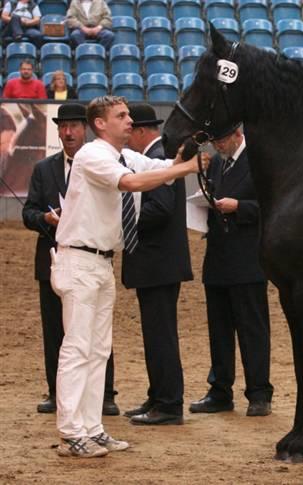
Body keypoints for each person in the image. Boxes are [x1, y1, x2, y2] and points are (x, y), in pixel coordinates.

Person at [51, 95, 206, 458]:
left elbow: (163, 166)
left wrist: (191, 143)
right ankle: (71, 431)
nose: (129, 122)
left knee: (98, 349)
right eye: (120, 116)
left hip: (102, 261)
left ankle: (91, 427)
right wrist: (185, 169)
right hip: (79, 260)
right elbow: (133, 185)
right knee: (77, 348)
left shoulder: (124, 155)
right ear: (100, 123)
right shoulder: (93, 155)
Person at [22, 103, 120, 416]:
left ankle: (104, 394)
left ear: (85, 129)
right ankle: (56, 392)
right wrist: (45, 220)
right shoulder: (43, 169)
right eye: (63, 127)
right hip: (52, 258)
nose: (68, 133)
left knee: (95, 329)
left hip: (90, 257)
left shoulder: (102, 163)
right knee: (55, 331)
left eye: (74, 126)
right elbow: (28, 212)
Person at [189, 124, 274, 418]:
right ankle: (220, 390)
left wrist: (240, 207)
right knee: (219, 331)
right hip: (218, 256)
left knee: (253, 329)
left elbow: (272, 206)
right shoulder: (218, 165)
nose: (217, 145)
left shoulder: (260, 161)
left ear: (238, 134)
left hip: (248, 258)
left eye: (221, 139)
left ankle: (259, 392)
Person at [121, 103, 192, 426]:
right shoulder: (160, 158)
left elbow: (160, 209)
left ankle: (169, 403)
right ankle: (158, 395)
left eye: (128, 131)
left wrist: (124, 222)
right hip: (157, 263)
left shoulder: (157, 160)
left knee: (160, 334)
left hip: (157, 262)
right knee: (156, 334)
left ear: (140, 132)